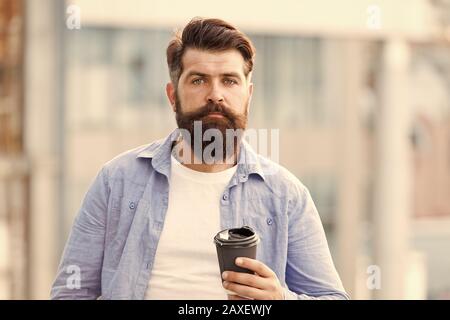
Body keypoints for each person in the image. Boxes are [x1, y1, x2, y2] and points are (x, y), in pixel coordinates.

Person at [51, 17, 349, 300]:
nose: (215, 94)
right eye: (198, 80)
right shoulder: (116, 181)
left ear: (249, 94)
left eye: (230, 81)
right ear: (172, 96)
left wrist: (280, 298)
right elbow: (70, 292)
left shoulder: (286, 195)